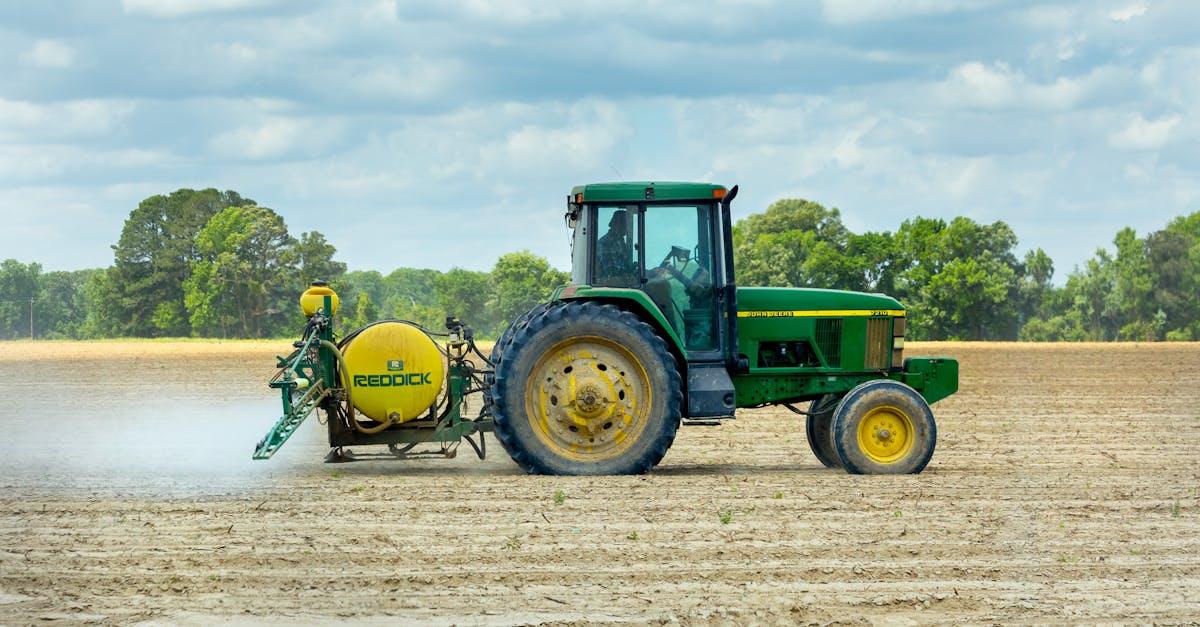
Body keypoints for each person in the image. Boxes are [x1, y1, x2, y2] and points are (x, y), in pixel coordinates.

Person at [649, 245, 713, 348]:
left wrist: (671, 269)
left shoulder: (706, 277)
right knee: (661, 286)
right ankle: (673, 338)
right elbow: (693, 288)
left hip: (702, 321)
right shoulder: (704, 274)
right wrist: (660, 270)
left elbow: (694, 288)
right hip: (699, 318)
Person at [596, 210, 636, 286]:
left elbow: (623, 266)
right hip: (611, 284)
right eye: (626, 225)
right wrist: (629, 275)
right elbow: (612, 271)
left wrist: (633, 268)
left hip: (619, 281)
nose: (628, 228)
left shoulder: (620, 241)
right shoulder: (606, 242)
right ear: (618, 225)